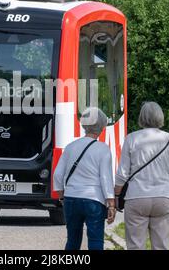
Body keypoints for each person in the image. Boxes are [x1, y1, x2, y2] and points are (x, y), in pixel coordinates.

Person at [115, 101, 169, 250]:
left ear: (142, 117)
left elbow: (122, 174)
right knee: (161, 246)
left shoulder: (131, 139)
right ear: (160, 117)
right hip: (163, 198)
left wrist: (115, 197)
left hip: (136, 198)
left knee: (135, 245)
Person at [53, 107, 116, 250]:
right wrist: (111, 204)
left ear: (84, 125)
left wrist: (62, 197)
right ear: (102, 127)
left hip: (71, 198)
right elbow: (105, 179)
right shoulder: (103, 149)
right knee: (95, 241)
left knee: (72, 241)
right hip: (94, 200)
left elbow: (57, 175)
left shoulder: (70, 147)